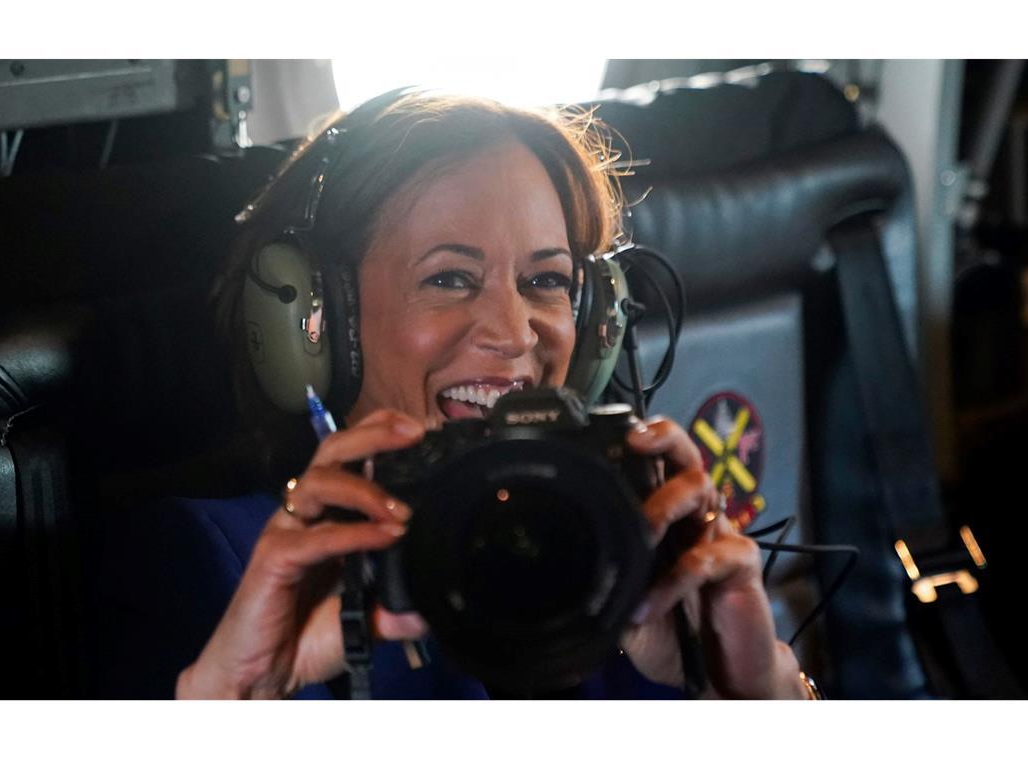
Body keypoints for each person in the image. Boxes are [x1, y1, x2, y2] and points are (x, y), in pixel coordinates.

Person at [95, 89, 814, 700]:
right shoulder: (222, 565)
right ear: (315, 323)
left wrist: (752, 693)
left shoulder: (624, 552)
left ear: (596, 325)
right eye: (448, 279)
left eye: (547, 282)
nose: (513, 333)